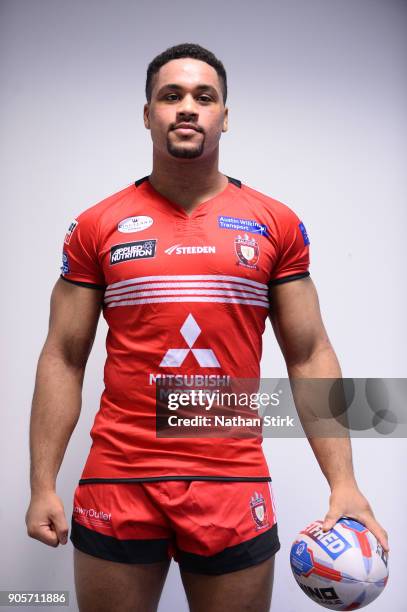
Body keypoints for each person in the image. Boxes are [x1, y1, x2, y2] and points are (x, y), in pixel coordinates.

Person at [25, 43, 389, 612]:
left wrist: (343, 482)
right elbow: (63, 356)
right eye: (171, 96)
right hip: (119, 477)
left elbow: (311, 354)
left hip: (232, 481)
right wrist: (42, 483)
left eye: (204, 96)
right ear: (148, 114)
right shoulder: (97, 225)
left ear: (224, 114)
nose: (188, 108)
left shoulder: (275, 223)